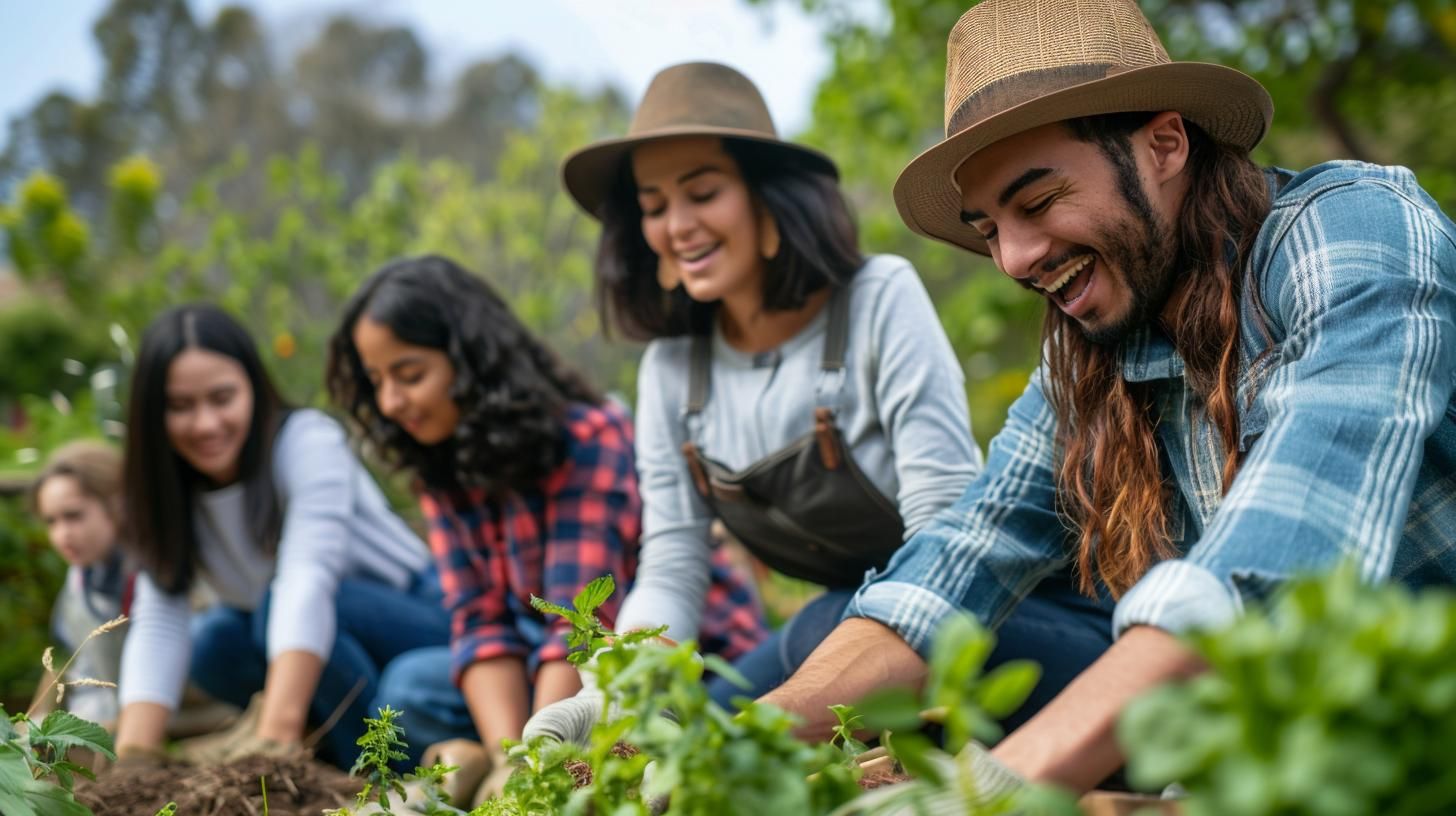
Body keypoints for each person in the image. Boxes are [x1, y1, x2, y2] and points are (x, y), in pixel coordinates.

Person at [760, 0, 1456, 798]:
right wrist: (734, 739)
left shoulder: (1351, 228)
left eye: (1039, 200)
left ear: (1164, 144)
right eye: (989, 229)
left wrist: (992, 792)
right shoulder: (1087, 359)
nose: (1015, 259)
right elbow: (959, 561)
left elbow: (1292, 540)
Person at [528, 62, 1115, 747]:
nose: (677, 226)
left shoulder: (877, 299)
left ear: (768, 196)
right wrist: (619, 687)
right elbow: (673, 564)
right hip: (851, 640)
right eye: (654, 207)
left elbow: (946, 522)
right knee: (680, 723)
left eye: (703, 193)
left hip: (996, 620)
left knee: (812, 635)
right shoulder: (670, 369)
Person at [326, 255, 766, 796]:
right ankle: (495, 761)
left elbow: (581, 626)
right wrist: (514, 755)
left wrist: (537, 764)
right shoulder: (438, 467)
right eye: (377, 383)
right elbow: (481, 625)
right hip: (552, 673)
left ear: (470, 362)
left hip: (679, 667)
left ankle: (538, 765)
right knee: (411, 685)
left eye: (410, 375)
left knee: (430, 695)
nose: (391, 402)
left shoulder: (586, 438)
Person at [113, 304, 448, 769]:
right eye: (180, 406)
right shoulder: (165, 488)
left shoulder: (306, 442)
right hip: (307, 634)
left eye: (222, 397)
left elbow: (305, 581)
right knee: (214, 641)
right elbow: (160, 620)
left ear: (253, 386)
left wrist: (273, 743)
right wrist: (134, 759)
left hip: (415, 615)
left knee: (277, 608)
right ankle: (332, 749)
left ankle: (371, 768)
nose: (206, 424)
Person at [29, 440, 130, 730]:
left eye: (73, 516)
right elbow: (61, 663)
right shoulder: (79, 580)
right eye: (51, 521)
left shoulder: (153, 571)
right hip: (97, 714)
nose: (62, 535)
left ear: (116, 504)